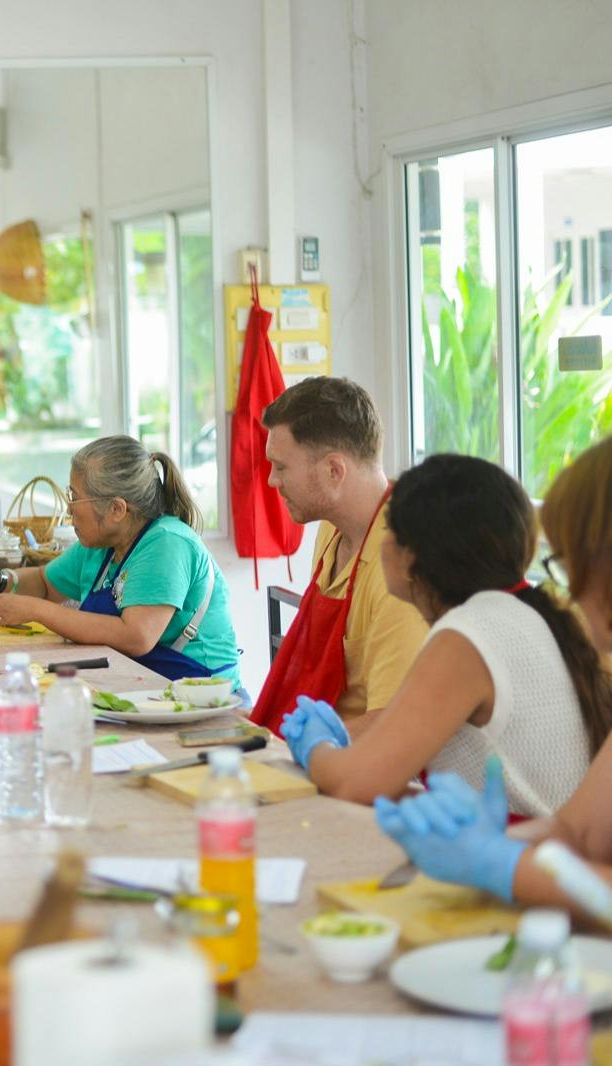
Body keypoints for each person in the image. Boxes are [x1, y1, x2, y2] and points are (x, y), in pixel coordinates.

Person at [280, 455, 609, 812]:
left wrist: (317, 747)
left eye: (388, 529)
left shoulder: (466, 637)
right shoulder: (528, 612)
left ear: (411, 555)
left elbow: (353, 781)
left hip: (529, 857)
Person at [374, 437, 612, 912]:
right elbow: (578, 830)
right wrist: (482, 844)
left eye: (568, 566)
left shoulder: (474, 627)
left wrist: (500, 862)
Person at [0, 436, 239, 680]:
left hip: (200, 693)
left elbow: (136, 637)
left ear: (116, 509)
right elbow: (43, 582)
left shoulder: (167, 544)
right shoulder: (101, 545)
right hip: (137, 683)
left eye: (74, 497)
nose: (68, 510)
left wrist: (37, 611)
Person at [248, 377, 428, 731]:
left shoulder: (402, 569)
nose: (272, 481)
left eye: (281, 467)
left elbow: (391, 726)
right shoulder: (331, 528)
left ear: (334, 471)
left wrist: (293, 743)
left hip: (363, 769)